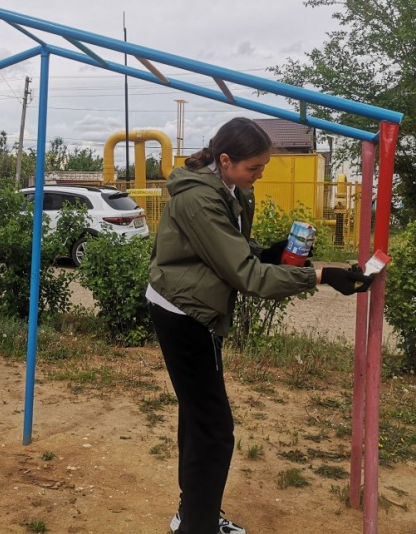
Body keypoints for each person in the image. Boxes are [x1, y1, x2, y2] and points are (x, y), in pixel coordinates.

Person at [146, 117, 373, 534]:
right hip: (185, 315)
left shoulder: (230, 188)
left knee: (199, 422)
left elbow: (234, 253)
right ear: (226, 159)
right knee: (214, 431)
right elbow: (247, 277)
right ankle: (197, 526)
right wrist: (321, 277)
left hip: (192, 307)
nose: (260, 175)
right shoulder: (198, 198)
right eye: (254, 168)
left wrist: (273, 253)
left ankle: (193, 516)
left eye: (264, 167)